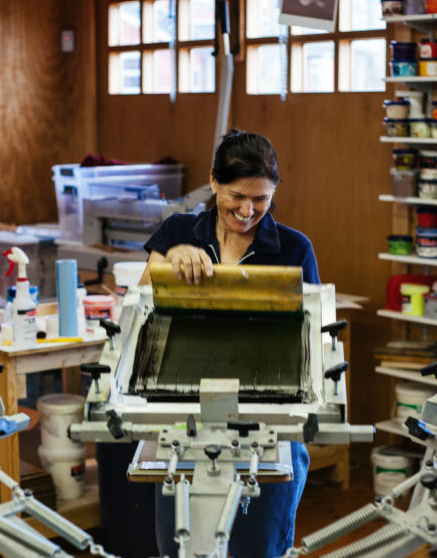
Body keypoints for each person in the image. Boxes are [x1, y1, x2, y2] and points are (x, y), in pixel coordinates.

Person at [139, 129, 320, 557]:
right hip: (182, 415)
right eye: (237, 195)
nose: (247, 210)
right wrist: (170, 261)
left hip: (268, 419)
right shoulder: (178, 231)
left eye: (261, 199)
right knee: (183, 546)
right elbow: (140, 306)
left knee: (259, 546)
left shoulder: (293, 248)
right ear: (214, 182)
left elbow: (309, 335)